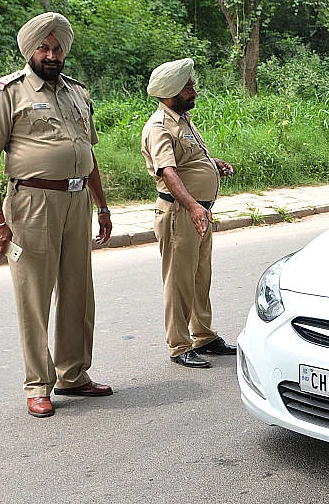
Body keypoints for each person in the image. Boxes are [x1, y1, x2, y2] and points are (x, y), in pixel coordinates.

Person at [0, 12, 114, 418]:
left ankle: (73, 373)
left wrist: (103, 206)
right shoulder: (8, 93)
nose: (52, 55)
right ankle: (38, 384)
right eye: (44, 48)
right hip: (33, 203)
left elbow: (88, 154)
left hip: (77, 200)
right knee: (34, 295)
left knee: (77, 291)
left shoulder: (77, 92)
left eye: (57, 49)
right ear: (30, 50)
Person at [141, 58, 237, 369]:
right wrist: (194, 206)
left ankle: (203, 336)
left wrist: (214, 164)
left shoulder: (183, 121)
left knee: (200, 277)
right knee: (179, 282)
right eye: (188, 87)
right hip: (180, 214)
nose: (194, 91)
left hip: (198, 213)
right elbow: (168, 172)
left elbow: (188, 160)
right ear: (171, 91)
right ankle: (179, 345)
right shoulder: (159, 127)